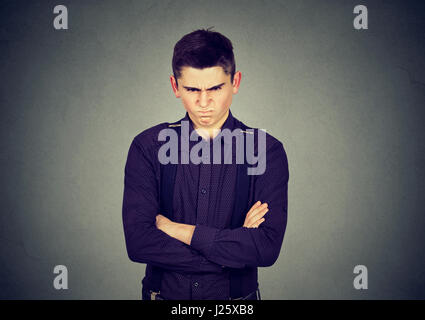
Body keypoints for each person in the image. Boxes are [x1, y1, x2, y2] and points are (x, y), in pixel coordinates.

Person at [122, 28, 289, 300]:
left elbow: (266, 248)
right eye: (192, 89)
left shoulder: (267, 151)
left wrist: (176, 230)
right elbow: (139, 243)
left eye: (215, 88)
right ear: (175, 87)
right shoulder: (148, 147)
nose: (204, 102)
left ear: (235, 82)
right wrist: (230, 251)